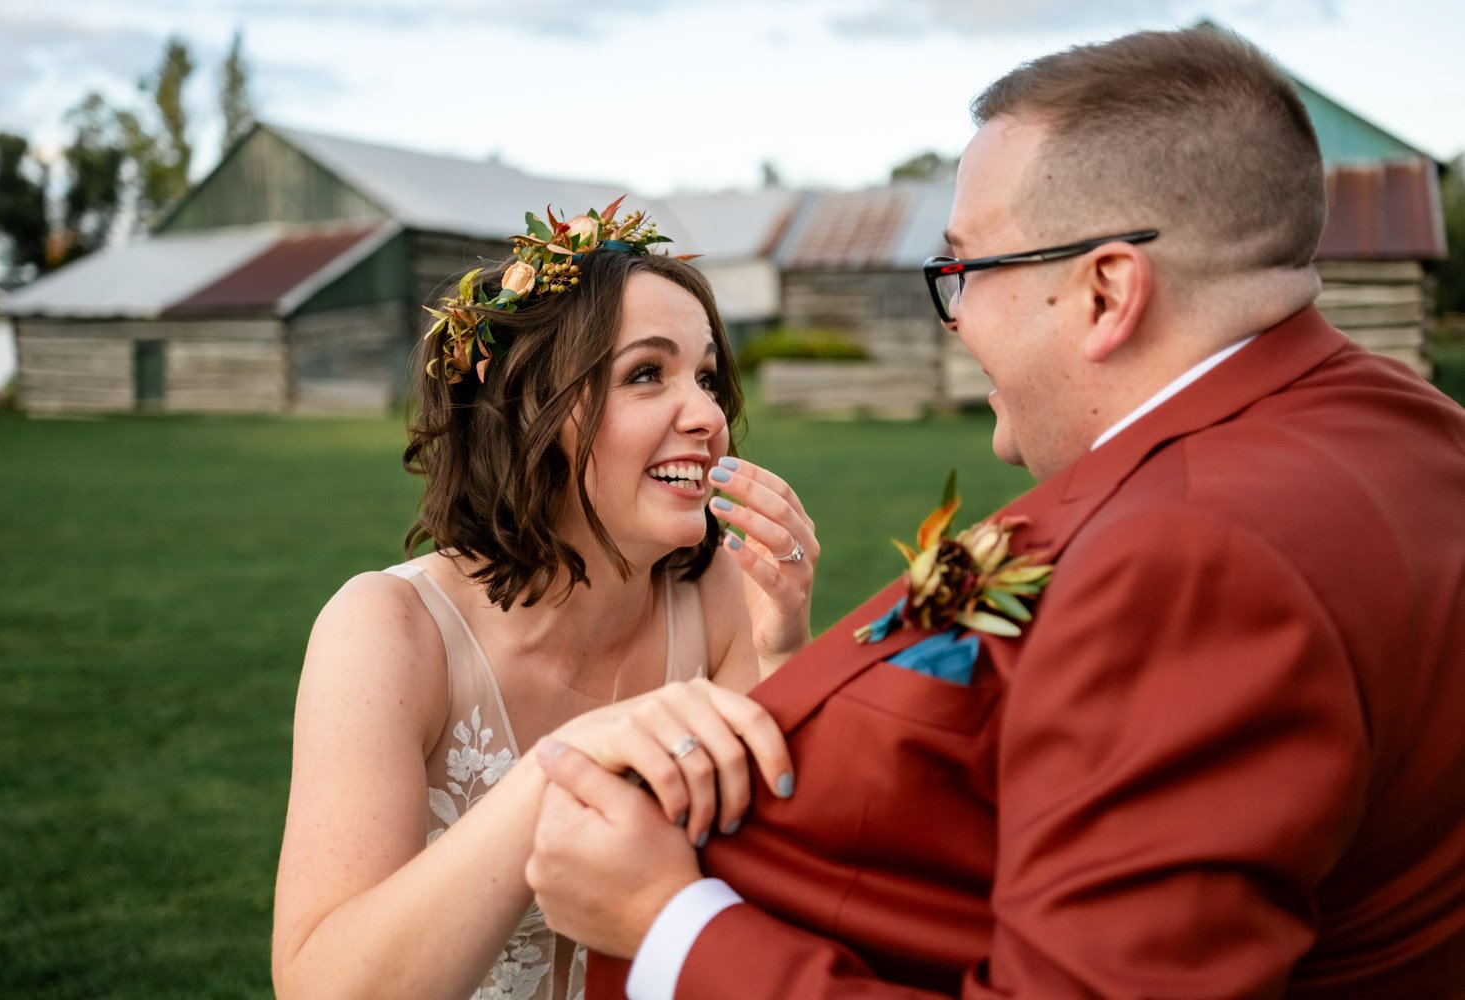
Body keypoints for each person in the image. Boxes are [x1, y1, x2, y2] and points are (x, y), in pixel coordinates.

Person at [525, 26, 1465, 1000]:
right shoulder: (1418, 433)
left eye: (967, 269)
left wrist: (669, 927)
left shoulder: (1190, 554)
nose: (958, 314)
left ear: (1106, 290)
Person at [271, 201, 820, 1000]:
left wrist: (786, 656)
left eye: (706, 377)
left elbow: (789, 903)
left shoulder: (726, 596)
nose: (707, 417)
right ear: (531, 409)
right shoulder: (387, 633)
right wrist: (563, 769)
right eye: (646, 373)